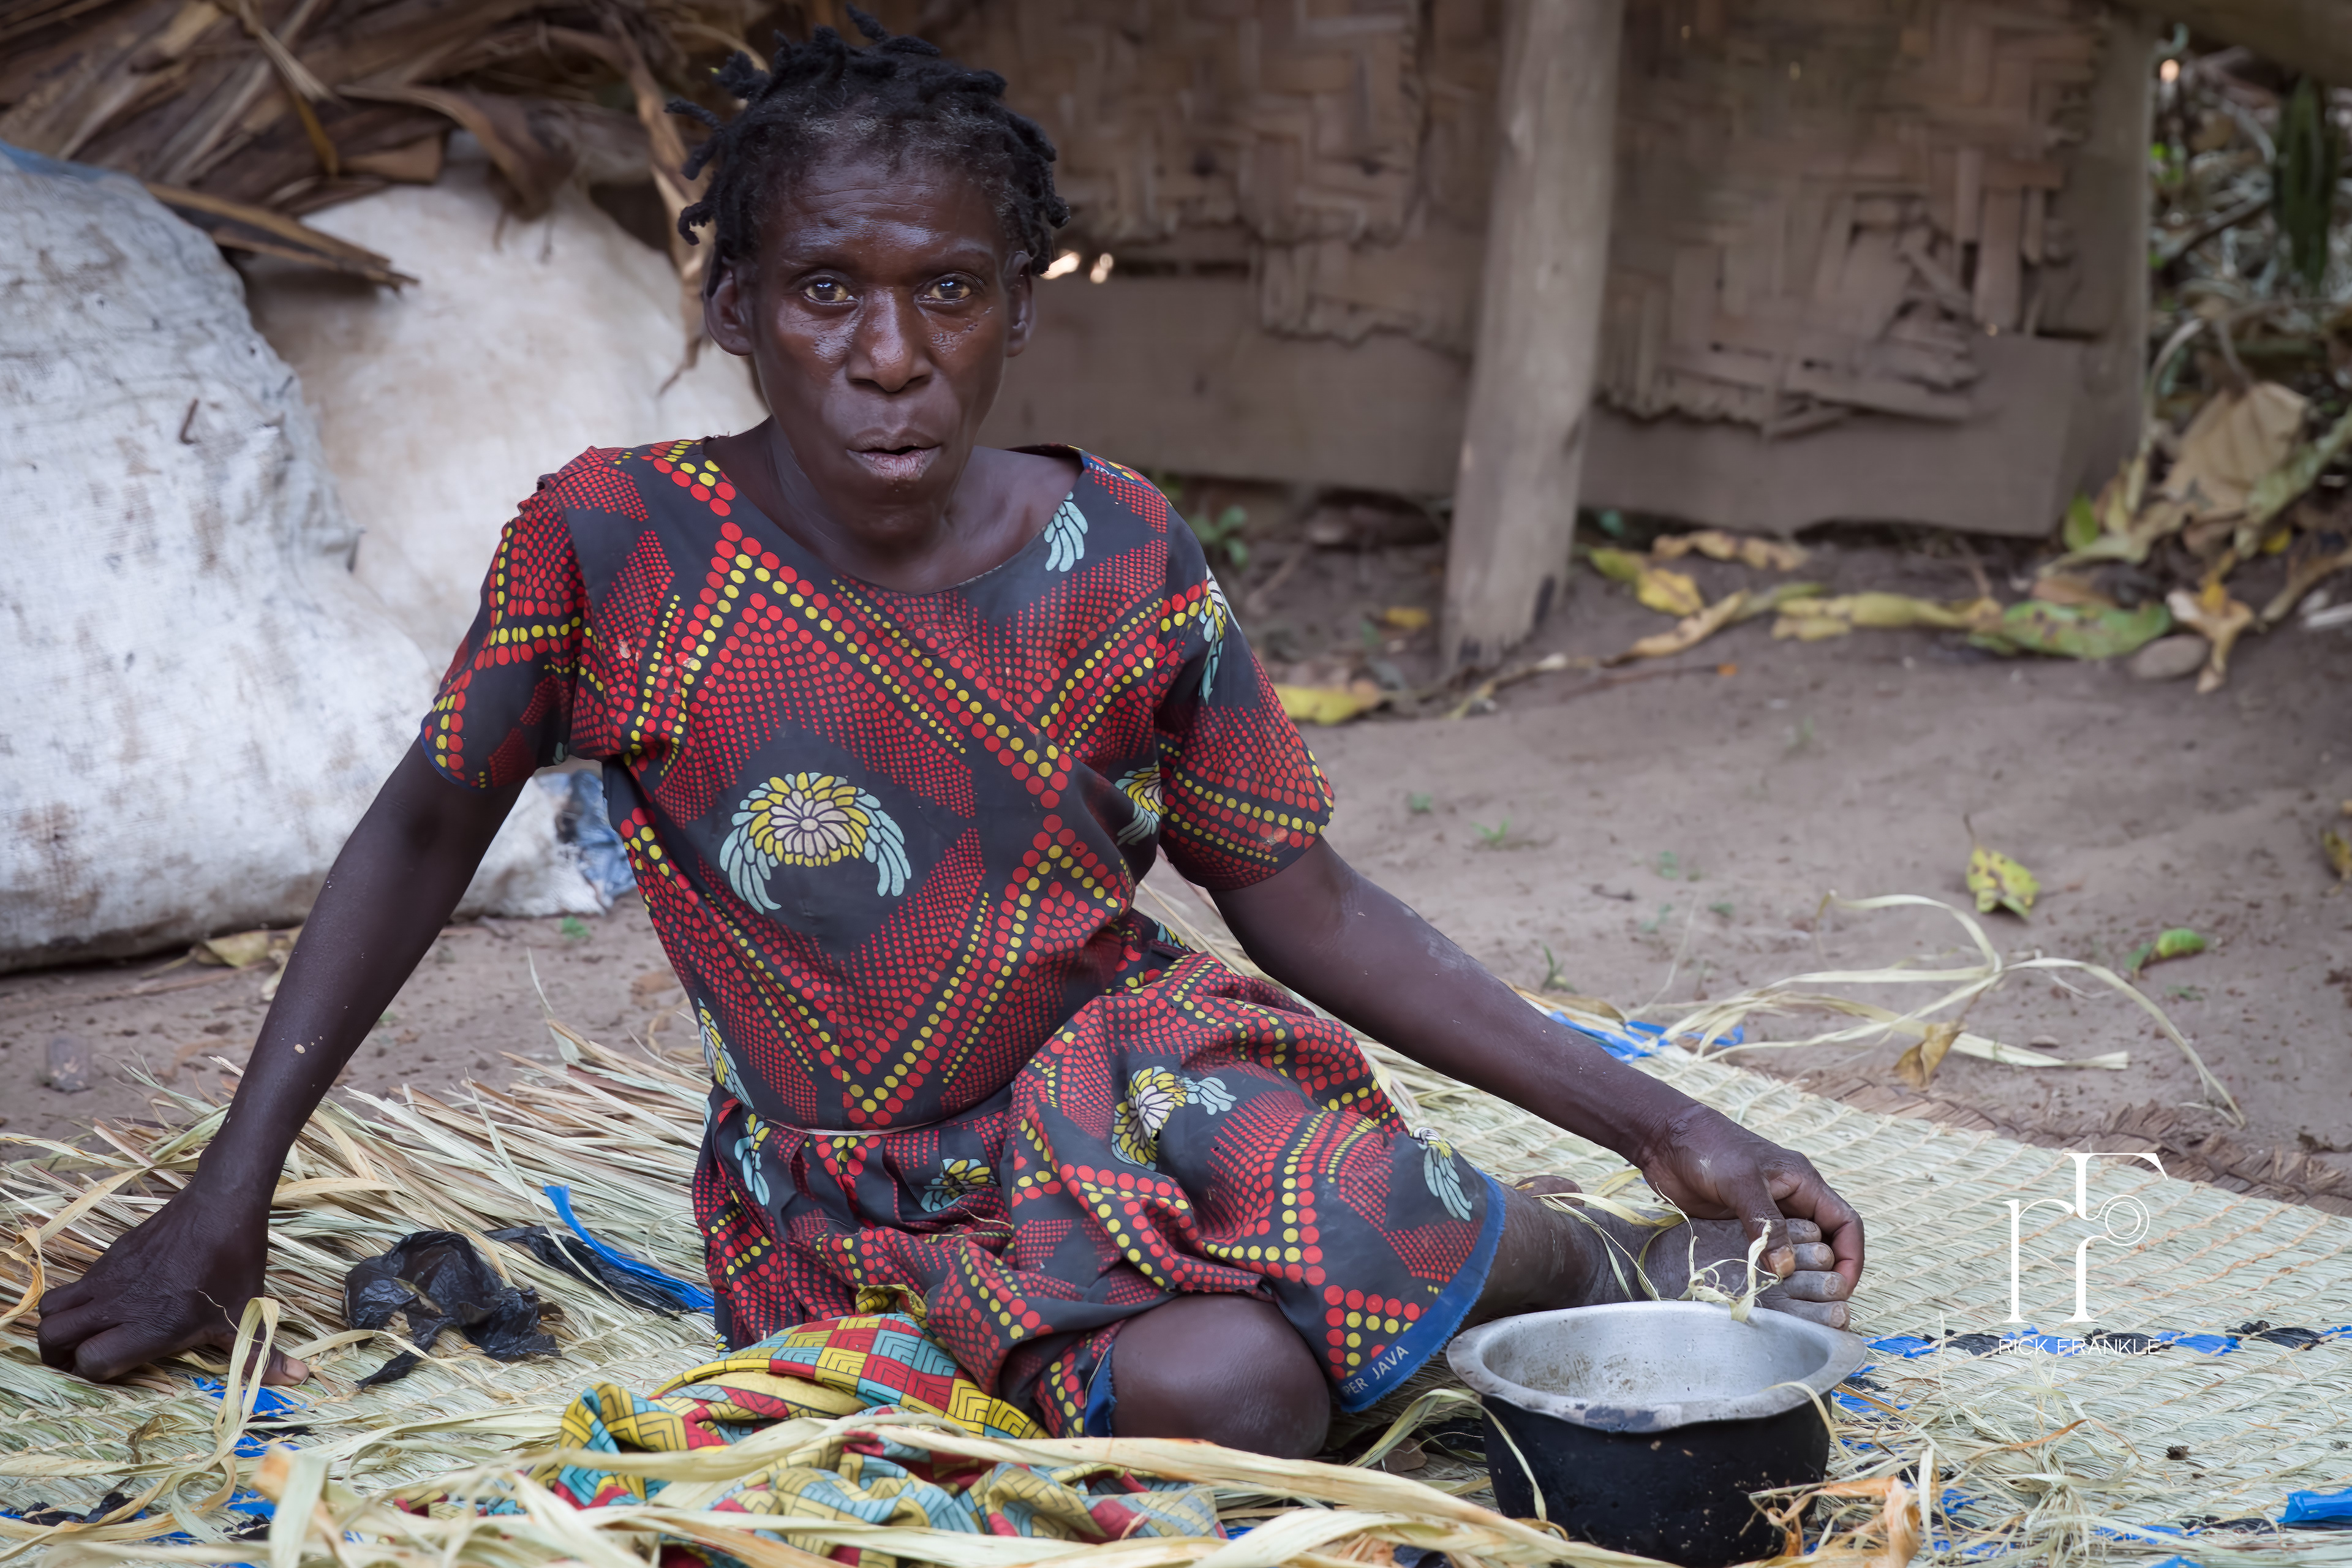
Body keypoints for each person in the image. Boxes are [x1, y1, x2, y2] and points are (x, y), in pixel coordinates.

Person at [37, 16, 1861, 1457]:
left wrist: (1665, 1122)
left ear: (1016, 306)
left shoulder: (1121, 550)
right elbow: (424, 834)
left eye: (949, 291)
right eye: (828, 290)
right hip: (841, 1194)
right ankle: (1459, 1262)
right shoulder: (610, 547)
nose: (890, 351)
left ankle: (1585, 1250)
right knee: (1237, 1401)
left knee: (1361, 1211)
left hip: (1146, 1087)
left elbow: (1293, 891)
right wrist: (228, 1199)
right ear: (737, 311)